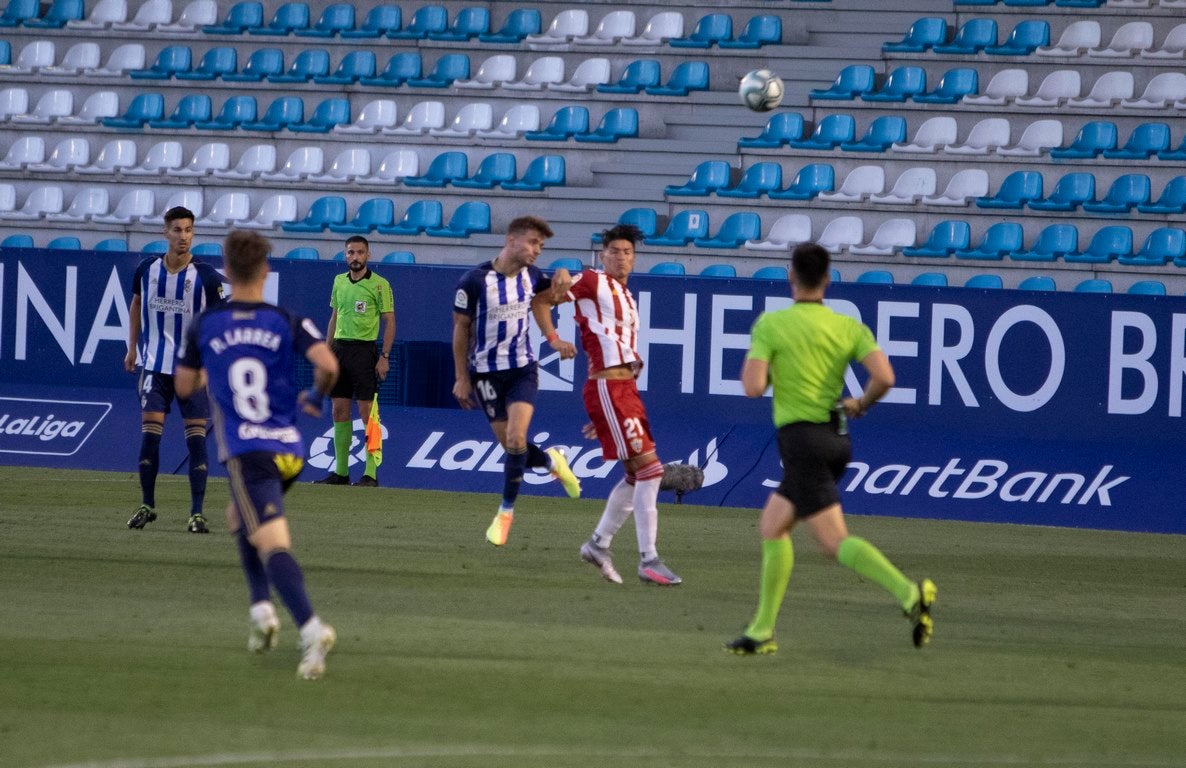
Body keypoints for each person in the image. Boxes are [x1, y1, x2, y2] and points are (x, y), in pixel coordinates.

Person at [726, 242, 936, 655]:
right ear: (827, 278)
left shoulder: (772, 324)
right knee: (773, 526)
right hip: (837, 438)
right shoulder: (847, 326)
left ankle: (910, 593)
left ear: (791, 276)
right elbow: (885, 377)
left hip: (801, 442)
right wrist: (860, 402)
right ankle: (761, 630)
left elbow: (751, 388)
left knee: (833, 543)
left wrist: (773, 373)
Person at [174, 229, 338, 680]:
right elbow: (328, 365)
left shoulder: (206, 324)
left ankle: (310, 628)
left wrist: (210, 372)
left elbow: (184, 387)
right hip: (290, 450)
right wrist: (315, 398)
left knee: (271, 542)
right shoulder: (287, 318)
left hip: (249, 453)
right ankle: (262, 610)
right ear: (266, 271)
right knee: (236, 518)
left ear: (225, 273)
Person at [561, 224, 683, 587]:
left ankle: (599, 544)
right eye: (614, 251)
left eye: (627, 252)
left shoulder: (628, 298)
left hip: (623, 391)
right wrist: (553, 329)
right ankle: (649, 559)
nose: (621, 257)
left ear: (634, 257)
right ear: (603, 255)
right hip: (609, 389)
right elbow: (552, 292)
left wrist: (605, 414)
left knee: (638, 474)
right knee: (651, 472)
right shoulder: (592, 281)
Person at [452, 215, 582, 547]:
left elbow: (549, 297)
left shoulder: (533, 276)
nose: (538, 250)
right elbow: (460, 330)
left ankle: (505, 513)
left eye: (541, 245)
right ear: (512, 240)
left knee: (516, 435)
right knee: (512, 447)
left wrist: (565, 275)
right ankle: (553, 461)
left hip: (522, 369)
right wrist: (461, 377)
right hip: (484, 373)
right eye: (533, 242)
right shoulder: (474, 282)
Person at [125, 206, 224, 534]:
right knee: (149, 437)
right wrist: (131, 348)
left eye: (189, 230)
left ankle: (196, 513)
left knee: (196, 441)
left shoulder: (207, 277)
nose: (184, 236)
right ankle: (147, 505)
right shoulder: (145, 270)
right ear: (165, 233)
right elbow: (136, 305)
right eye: (178, 230)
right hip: (154, 367)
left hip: (192, 372)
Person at [313, 235, 395, 488]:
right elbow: (334, 315)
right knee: (339, 410)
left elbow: (390, 321)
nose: (355, 257)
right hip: (340, 349)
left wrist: (384, 356)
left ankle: (370, 473)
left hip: (364, 351)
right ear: (345, 255)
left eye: (360, 253)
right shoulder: (339, 281)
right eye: (351, 252)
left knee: (366, 413)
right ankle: (341, 472)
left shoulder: (380, 285)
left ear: (368, 255)